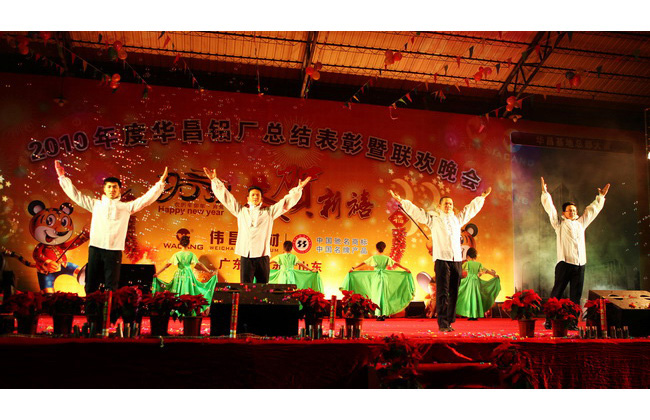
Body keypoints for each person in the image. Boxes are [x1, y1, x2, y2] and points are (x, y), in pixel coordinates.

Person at [55, 160, 167, 293]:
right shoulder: (96, 204)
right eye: (109, 187)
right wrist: (62, 177)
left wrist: (160, 184)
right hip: (96, 248)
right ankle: (91, 306)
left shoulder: (126, 207)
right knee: (91, 282)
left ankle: (108, 306)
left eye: (114, 187)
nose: (112, 190)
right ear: (104, 189)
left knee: (111, 284)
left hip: (114, 250)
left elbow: (145, 200)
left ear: (119, 189)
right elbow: (76, 195)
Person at [390, 187, 491, 332]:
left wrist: (481, 197)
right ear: (439, 206)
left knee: (454, 291)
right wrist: (402, 201)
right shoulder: (433, 219)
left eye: (450, 204)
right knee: (442, 291)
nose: (448, 206)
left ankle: (449, 320)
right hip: (442, 259)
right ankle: (443, 323)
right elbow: (417, 212)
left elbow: (470, 210)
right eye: (445, 204)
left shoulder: (457, 220)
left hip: (456, 259)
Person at [203, 167, 311, 284]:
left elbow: (285, 203)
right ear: (248, 198)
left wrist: (298, 189)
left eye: (258, 195)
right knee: (246, 287)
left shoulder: (268, 213)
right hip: (246, 256)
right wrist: (214, 180)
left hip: (263, 256)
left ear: (261, 199)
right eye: (253, 195)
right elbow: (227, 199)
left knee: (263, 287)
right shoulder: (241, 211)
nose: (255, 197)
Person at [541, 177, 609, 329]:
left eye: (574, 210)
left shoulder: (580, 224)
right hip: (564, 263)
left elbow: (592, 211)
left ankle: (572, 322)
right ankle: (549, 320)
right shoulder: (559, 224)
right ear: (564, 213)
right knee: (557, 293)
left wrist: (600, 197)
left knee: (575, 296)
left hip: (580, 265)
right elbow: (550, 210)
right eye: (569, 210)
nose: (572, 212)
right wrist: (545, 193)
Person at [346, 241, 412, 321]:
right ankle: (383, 314)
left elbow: (363, 263)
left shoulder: (374, 257)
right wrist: (406, 269)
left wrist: (353, 268)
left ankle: (378, 314)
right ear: (384, 248)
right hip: (384, 278)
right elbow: (396, 263)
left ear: (377, 248)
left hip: (376, 278)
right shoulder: (386, 258)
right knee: (383, 295)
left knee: (376, 295)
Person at [152, 235, 217, 313]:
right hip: (188, 274)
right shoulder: (191, 254)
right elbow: (200, 264)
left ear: (180, 244)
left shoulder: (177, 254)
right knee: (188, 290)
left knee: (177, 290)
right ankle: (188, 310)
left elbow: (167, 265)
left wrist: (158, 273)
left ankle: (176, 310)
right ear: (188, 244)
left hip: (179, 274)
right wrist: (209, 271)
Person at [455, 247, 501, 320]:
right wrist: (494, 275)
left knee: (469, 297)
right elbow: (486, 271)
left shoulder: (467, 263)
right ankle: (475, 314)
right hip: (476, 282)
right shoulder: (479, 264)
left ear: (468, 256)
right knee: (476, 297)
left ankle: (470, 314)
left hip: (469, 281)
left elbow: (458, 269)